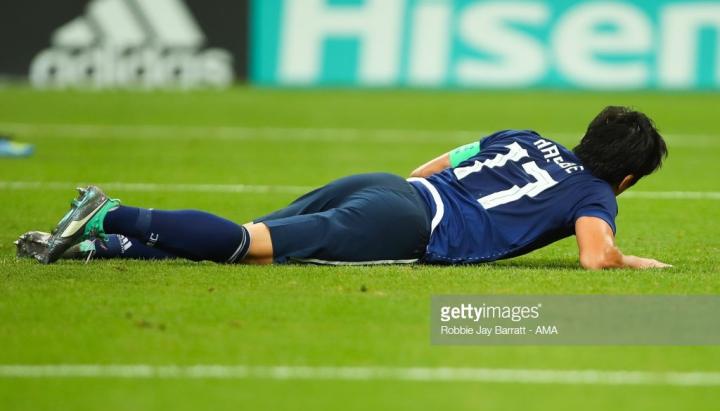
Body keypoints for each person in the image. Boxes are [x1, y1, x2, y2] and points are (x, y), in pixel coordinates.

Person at [18, 106, 670, 270]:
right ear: (627, 177)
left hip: (386, 188)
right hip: (407, 226)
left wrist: (389, 199)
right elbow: (594, 255)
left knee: (254, 245)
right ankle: (110, 214)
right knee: (246, 245)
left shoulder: (524, 136)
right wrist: (634, 262)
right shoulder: (596, 194)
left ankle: (94, 246)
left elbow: (434, 165)